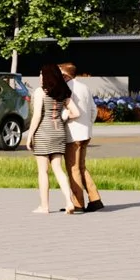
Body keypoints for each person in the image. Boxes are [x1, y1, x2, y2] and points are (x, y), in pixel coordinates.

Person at [26, 64, 74, 214]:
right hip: (58, 131)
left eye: (42, 74)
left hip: (43, 132)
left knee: (43, 171)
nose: (40, 77)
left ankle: (44, 206)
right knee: (58, 169)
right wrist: (63, 117)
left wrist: (29, 136)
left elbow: (37, 116)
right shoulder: (63, 92)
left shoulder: (41, 92)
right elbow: (75, 112)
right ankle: (69, 201)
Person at [59, 62, 103, 213]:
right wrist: (88, 124)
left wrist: (62, 119)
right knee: (82, 167)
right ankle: (95, 199)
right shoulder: (84, 87)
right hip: (86, 132)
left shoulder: (66, 89)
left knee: (73, 169)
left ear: (65, 74)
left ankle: (78, 203)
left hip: (73, 133)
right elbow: (93, 109)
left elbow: (66, 110)